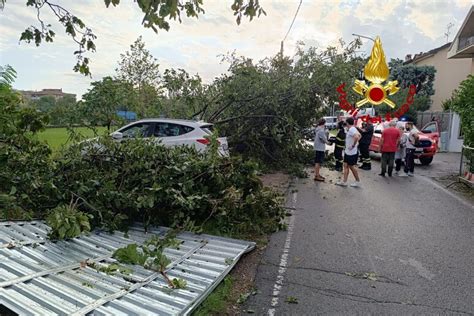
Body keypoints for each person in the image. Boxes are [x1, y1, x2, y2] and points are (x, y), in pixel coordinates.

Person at [336, 117, 361, 187]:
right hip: (348, 152)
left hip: (351, 152)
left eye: (345, 122)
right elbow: (360, 135)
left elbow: (356, 137)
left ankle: (357, 181)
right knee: (345, 165)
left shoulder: (352, 130)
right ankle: (344, 182)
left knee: (351, 167)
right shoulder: (352, 129)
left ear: (347, 123)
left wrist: (353, 145)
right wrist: (356, 144)